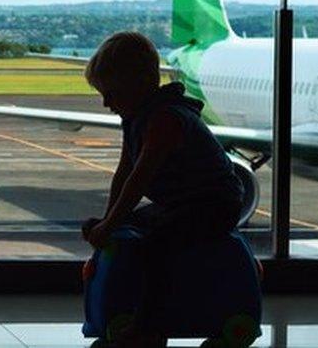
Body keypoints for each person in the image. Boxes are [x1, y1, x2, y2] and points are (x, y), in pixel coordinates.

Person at [81, 31, 245, 347]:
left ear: (137, 85)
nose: (106, 103)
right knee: (133, 230)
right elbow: (124, 172)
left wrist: (109, 224)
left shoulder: (165, 120)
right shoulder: (137, 118)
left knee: (157, 246)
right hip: (183, 202)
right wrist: (108, 223)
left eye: (111, 94)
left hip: (214, 204)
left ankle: (149, 327)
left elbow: (138, 179)